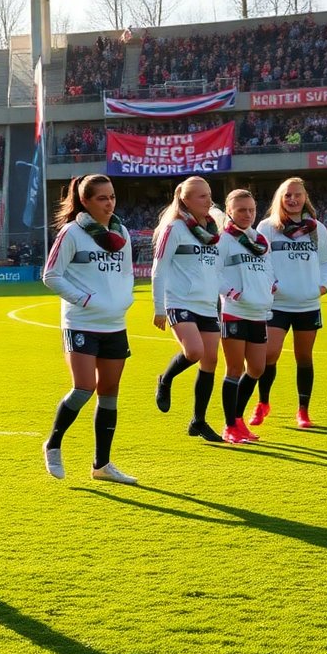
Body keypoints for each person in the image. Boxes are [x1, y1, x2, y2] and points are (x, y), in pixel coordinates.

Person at [40, 175, 138, 484]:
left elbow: (127, 272)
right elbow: (51, 275)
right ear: (85, 201)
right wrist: (83, 299)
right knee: (84, 387)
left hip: (114, 324)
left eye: (112, 197)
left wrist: (124, 299)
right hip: (81, 322)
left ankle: (102, 465)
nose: (109, 203)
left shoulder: (121, 232)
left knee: (109, 393)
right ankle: (53, 444)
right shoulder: (72, 233)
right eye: (102, 198)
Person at [254, 177, 327, 429]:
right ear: (280, 198)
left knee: (304, 357)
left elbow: (326, 262)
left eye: (297, 195)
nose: (293, 199)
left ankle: (303, 410)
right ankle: (263, 402)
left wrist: (321, 287)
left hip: (307, 304)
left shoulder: (316, 228)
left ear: (304, 197)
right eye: (287, 195)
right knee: (269, 355)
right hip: (276, 304)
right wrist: (269, 283)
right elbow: (258, 261)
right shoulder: (267, 227)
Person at [151, 176, 224, 443]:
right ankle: (165, 379)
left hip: (207, 304)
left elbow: (217, 267)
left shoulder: (214, 229)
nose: (208, 200)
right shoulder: (174, 228)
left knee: (211, 361)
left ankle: (199, 421)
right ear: (185, 199)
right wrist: (159, 307)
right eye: (201, 196)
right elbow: (159, 268)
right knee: (194, 351)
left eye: (209, 194)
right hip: (179, 301)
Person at [216, 189, 276, 444]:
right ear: (230, 211)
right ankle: (230, 426)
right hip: (235, 312)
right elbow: (213, 272)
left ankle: (238, 420)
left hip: (258, 312)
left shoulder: (260, 239)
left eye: (251, 209)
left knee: (257, 368)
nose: (248, 214)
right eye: (241, 210)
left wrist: (272, 284)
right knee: (234, 369)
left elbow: (268, 268)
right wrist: (231, 292)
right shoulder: (223, 240)